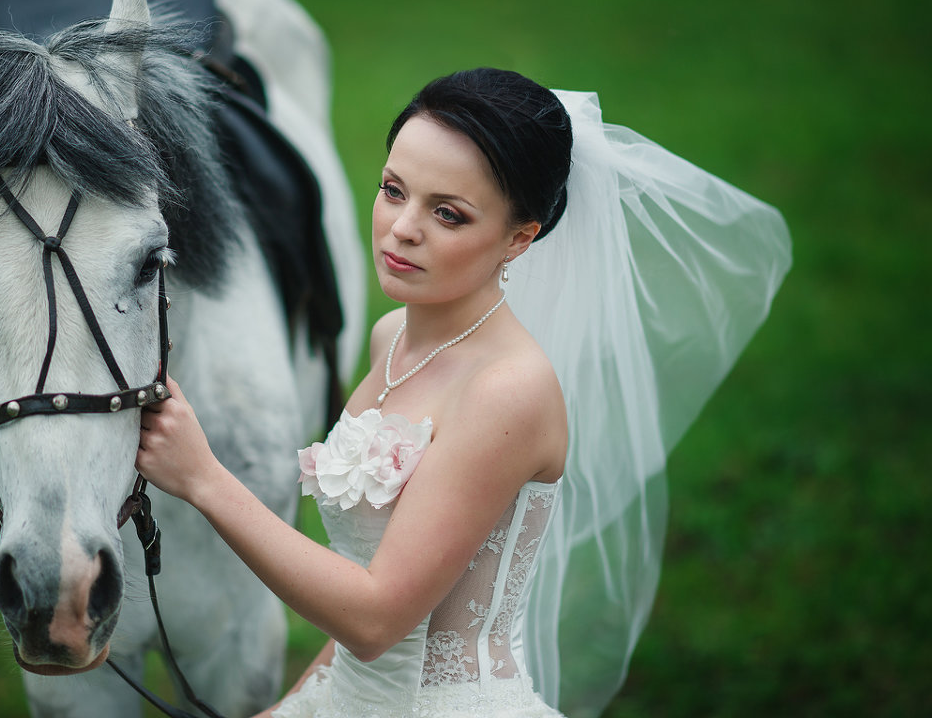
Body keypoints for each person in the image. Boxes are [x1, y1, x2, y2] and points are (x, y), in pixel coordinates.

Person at [136, 68, 791, 717]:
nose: (402, 228)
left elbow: (376, 616)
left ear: (519, 238)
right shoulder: (392, 337)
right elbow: (365, 620)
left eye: (448, 214)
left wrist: (205, 481)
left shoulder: (507, 392)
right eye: (394, 190)